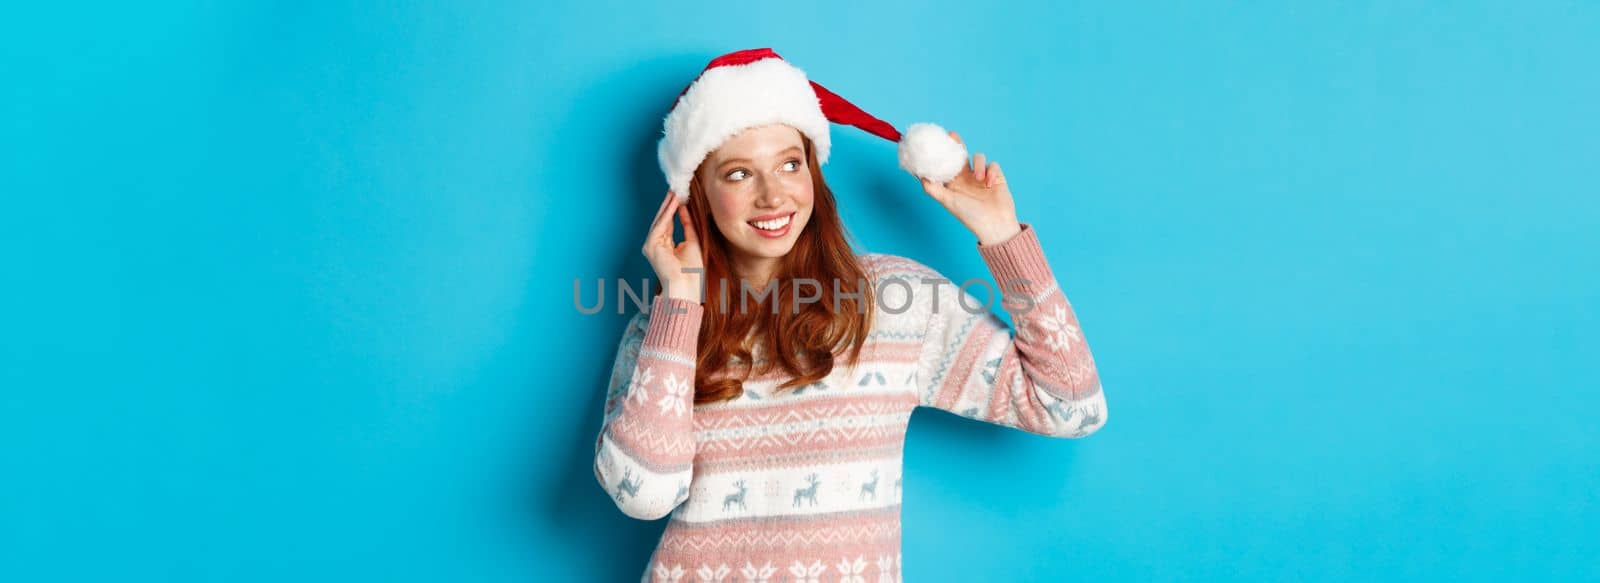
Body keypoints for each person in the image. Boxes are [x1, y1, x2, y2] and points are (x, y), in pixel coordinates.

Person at [593, 48, 1107, 583]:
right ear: (696, 193)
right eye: (740, 173)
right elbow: (643, 495)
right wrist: (679, 304)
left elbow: (1071, 405)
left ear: (813, 173)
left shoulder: (894, 301)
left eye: (790, 164)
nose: (774, 196)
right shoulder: (664, 330)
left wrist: (1002, 235)